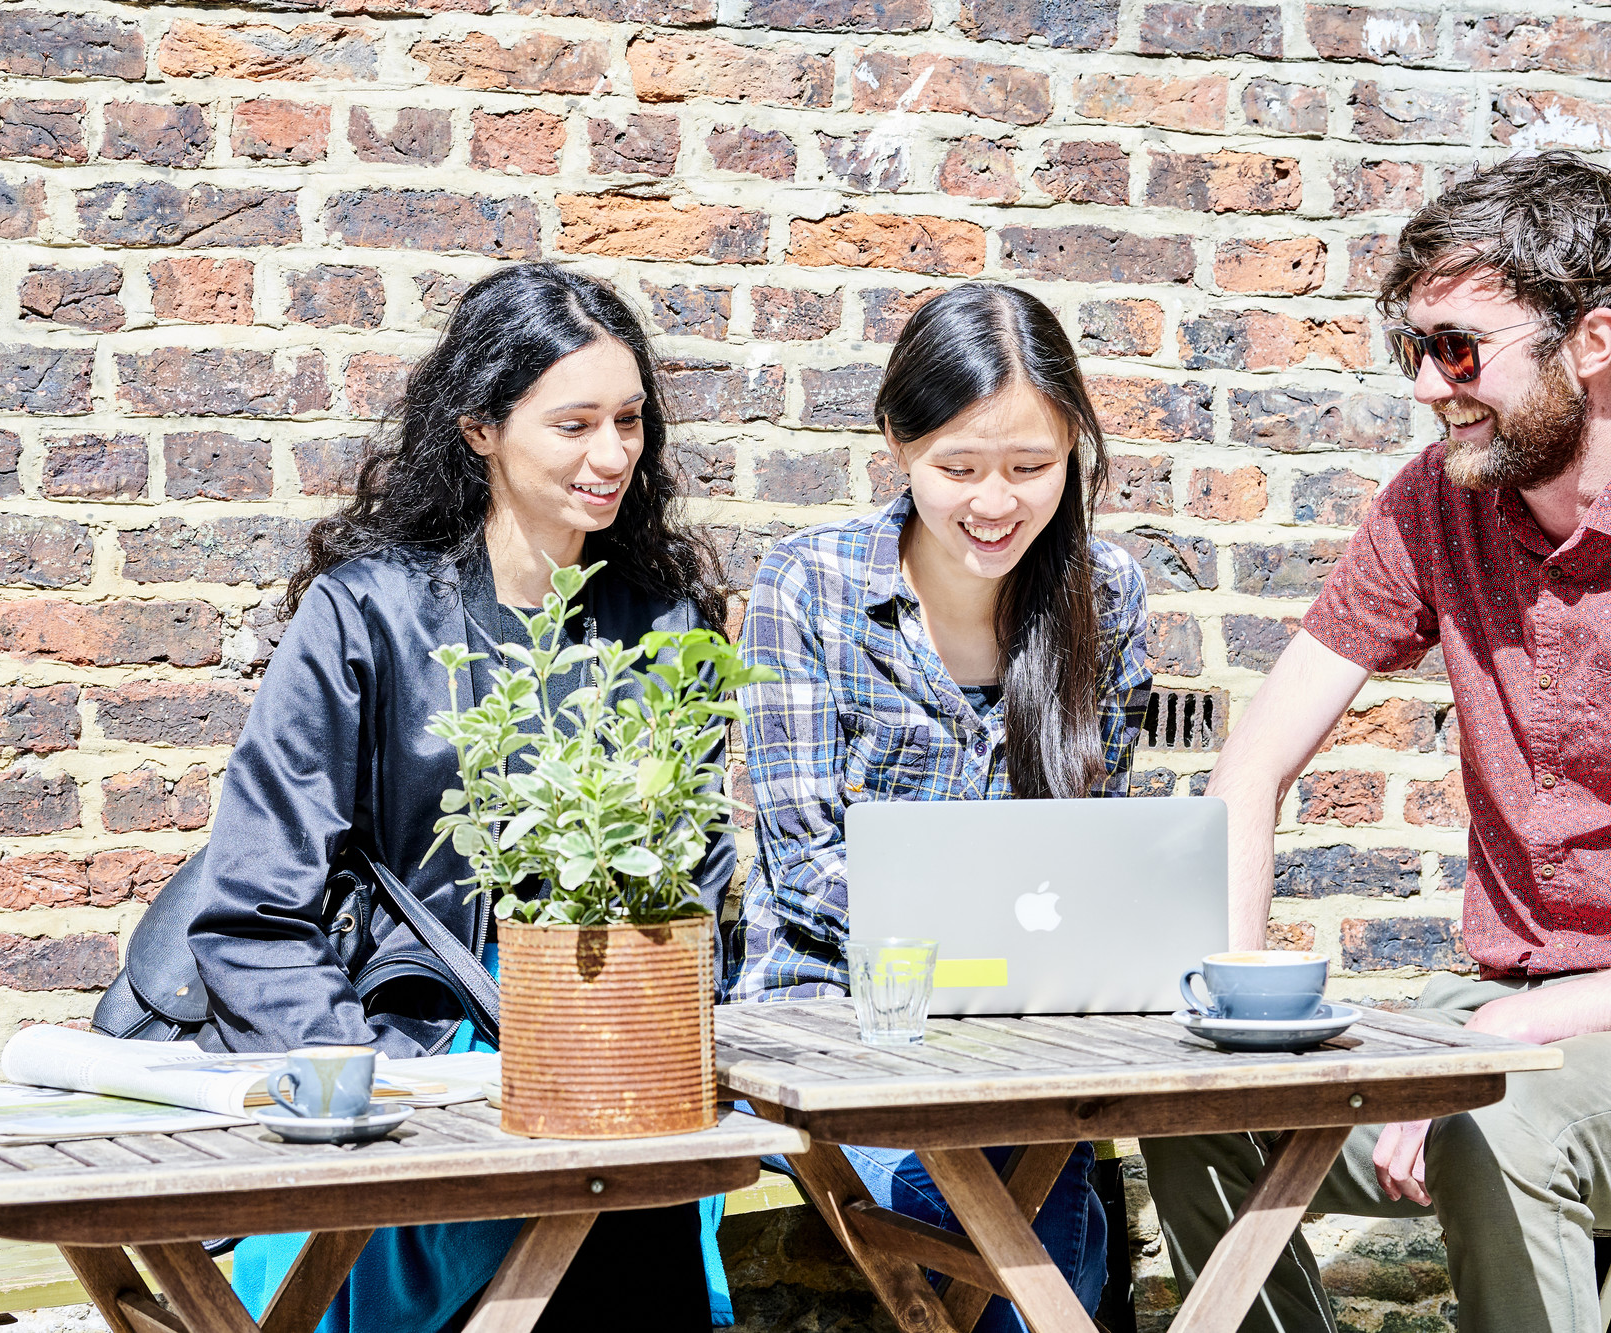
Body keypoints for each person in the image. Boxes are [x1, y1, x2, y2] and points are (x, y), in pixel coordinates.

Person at [1142, 150, 1611, 1333]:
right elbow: (1250, 770)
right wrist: (1233, 1026)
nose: (1423, 387)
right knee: (1192, 1108)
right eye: (1412, 349)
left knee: (1494, 1119)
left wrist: (1517, 1030)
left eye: (1455, 349)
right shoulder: (1433, 504)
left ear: (1589, 343)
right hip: (1510, 1008)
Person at [183, 262, 732, 1333]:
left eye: (629, 420)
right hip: (404, 1073)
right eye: (573, 423)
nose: (612, 454)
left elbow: (696, 896)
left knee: (639, 1193)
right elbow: (251, 912)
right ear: (480, 426)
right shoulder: (366, 617)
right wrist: (376, 1091)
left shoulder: (664, 628)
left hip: (603, 1082)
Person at [727, 282, 1156, 1329]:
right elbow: (803, 866)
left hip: (1029, 1036)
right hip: (835, 1017)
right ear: (896, 444)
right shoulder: (811, 586)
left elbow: (1098, 858)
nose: (995, 503)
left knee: (1025, 1181)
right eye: (957, 469)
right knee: (997, 1201)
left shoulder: (1108, 593)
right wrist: (976, 954)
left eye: (1031, 467)